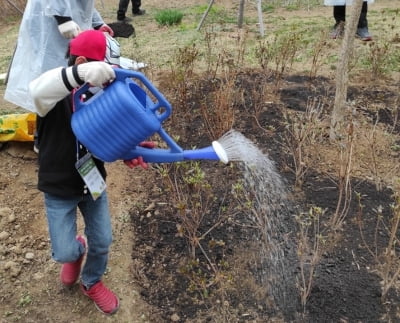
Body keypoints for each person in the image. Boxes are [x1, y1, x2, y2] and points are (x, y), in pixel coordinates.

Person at [28, 30, 148, 315]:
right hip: (58, 189)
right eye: (105, 73)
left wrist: (127, 150)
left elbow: (107, 137)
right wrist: (80, 74)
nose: (109, 82)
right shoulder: (52, 98)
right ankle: (76, 252)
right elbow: (36, 90)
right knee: (65, 252)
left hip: (92, 182)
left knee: (104, 240)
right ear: (82, 63)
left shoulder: (100, 97)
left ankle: (91, 280)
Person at [4, 1, 113, 153]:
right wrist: (63, 18)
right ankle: (42, 139)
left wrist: (97, 22)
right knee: (50, 83)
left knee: (69, 80)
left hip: (71, 26)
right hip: (51, 24)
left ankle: (70, 131)